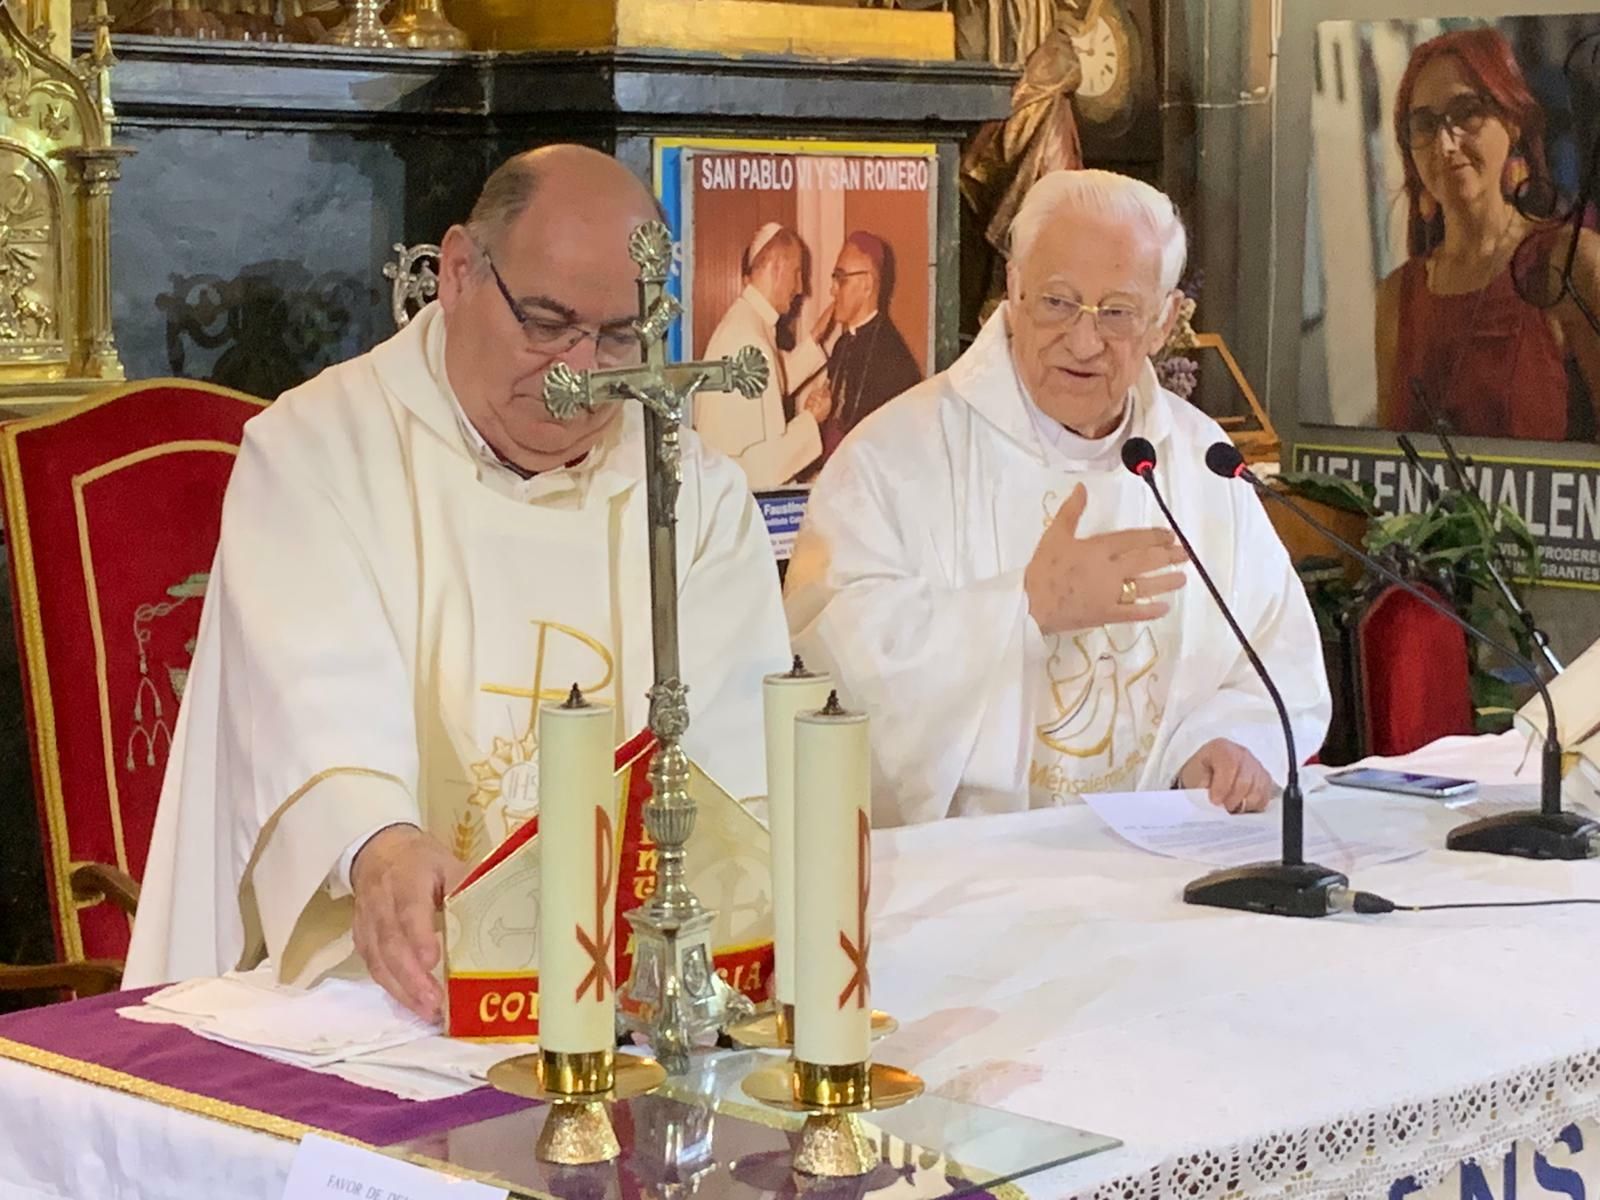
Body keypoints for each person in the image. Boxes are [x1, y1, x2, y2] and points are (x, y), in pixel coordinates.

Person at [125, 146, 793, 1018]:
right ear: (458, 272)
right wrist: (381, 845)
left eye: (620, 337)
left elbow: (737, 773)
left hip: (624, 989)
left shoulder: (693, 494)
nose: (582, 373)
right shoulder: (319, 451)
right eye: (547, 324)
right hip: (379, 987)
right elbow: (316, 697)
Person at [785, 168, 1330, 826]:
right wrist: (1022, 607)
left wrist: (1219, 743)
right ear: (1012, 292)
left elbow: (1275, 656)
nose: (1083, 340)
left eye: (1118, 312)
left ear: (1164, 322)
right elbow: (831, 674)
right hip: (968, 868)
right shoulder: (892, 457)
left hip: (1164, 863)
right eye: (1057, 302)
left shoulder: (1200, 463)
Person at [1376, 26, 1600, 441]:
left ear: (1512, 122)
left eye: (1467, 113)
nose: (1445, 144)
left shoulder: (1571, 264)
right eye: (1425, 124)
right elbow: (1387, 460)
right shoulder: (1398, 296)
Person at [696, 224, 830, 488]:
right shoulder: (748, 339)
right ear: (777, 267)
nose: (800, 287)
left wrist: (814, 340)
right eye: (796, 273)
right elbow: (759, 469)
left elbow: (772, 378)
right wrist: (811, 420)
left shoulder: (748, 322)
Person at [814, 232, 925, 461]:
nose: (832, 290)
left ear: (866, 285)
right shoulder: (841, 345)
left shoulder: (894, 361)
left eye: (841, 279)